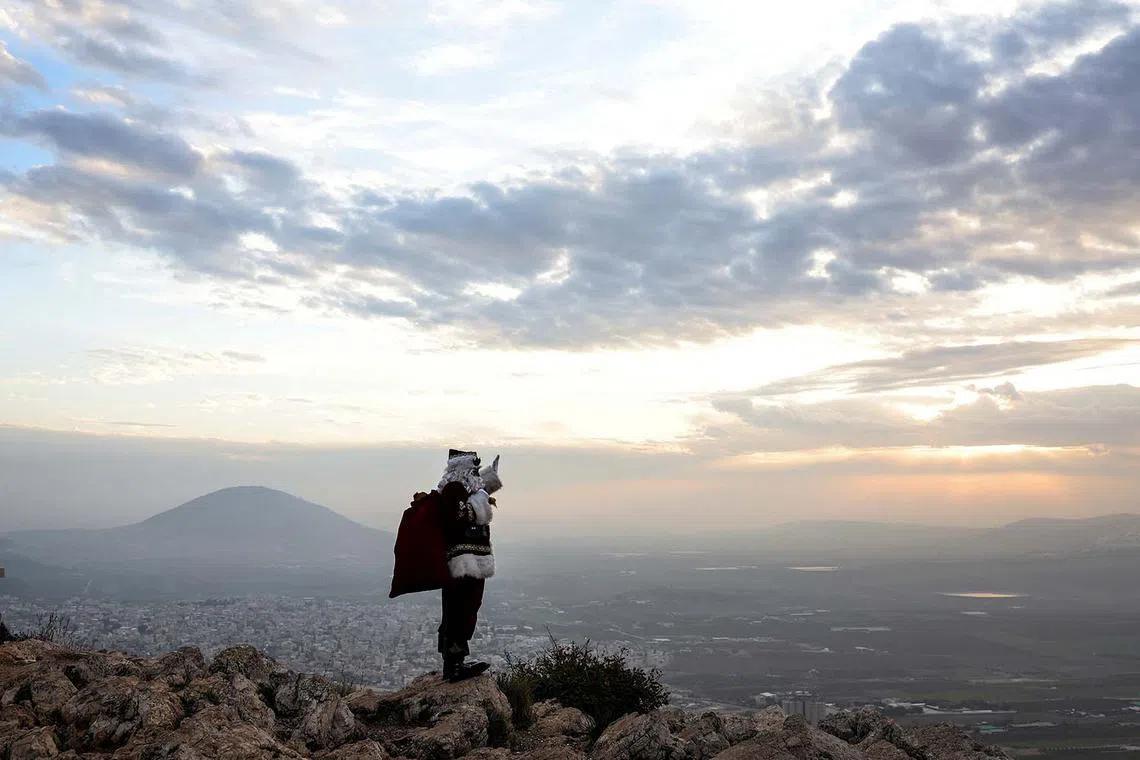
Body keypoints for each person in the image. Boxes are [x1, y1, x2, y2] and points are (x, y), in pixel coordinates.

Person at [435, 449, 502, 682]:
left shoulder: (461, 488)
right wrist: (481, 502)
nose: (476, 472)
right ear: (463, 468)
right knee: (459, 610)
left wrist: (488, 482)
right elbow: (459, 517)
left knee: (466, 608)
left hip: (472, 560)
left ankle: (456, 662)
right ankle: (453, 666)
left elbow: (474, 494)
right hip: (463, 562)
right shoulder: (454, 489)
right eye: (473, 468)